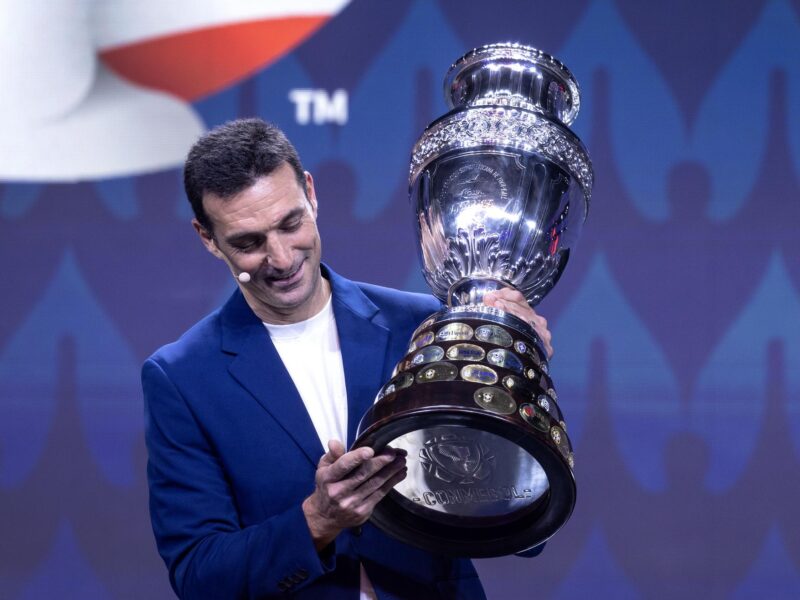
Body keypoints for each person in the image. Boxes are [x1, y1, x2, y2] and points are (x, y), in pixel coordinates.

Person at [142, 118, 553, 599]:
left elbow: (521, 525)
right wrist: (317, 521)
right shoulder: (182, 377)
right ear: (207, 237)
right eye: (248, 242)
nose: (280, 257)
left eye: (290, 223)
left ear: (311, 193)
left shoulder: (428, 328)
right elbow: (199, 577)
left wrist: (517, 376)